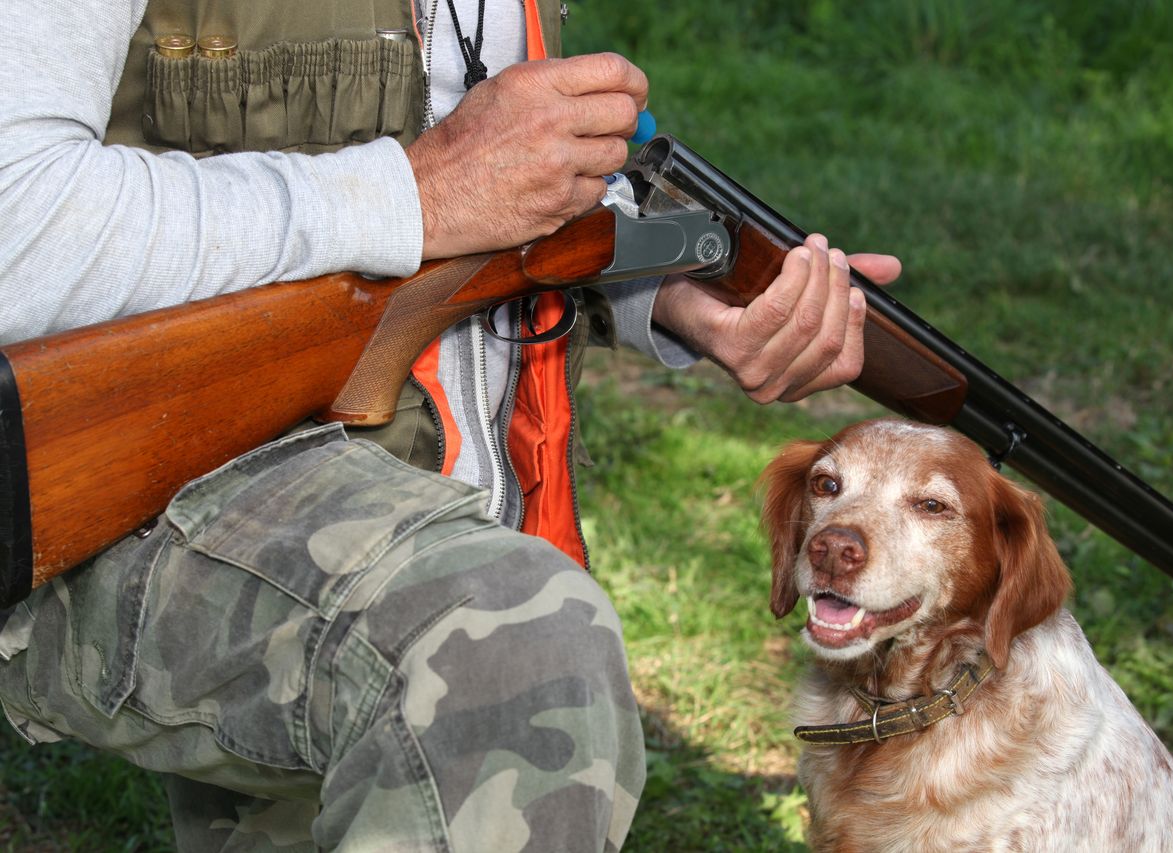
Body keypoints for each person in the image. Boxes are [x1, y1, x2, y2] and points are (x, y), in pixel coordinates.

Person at [0, 0, 901, 849]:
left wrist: (669, 292)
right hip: (102, 474)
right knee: (508, 658)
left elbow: (521, 189)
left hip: (433, 515)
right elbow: (16, 226)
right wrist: (418, 191)